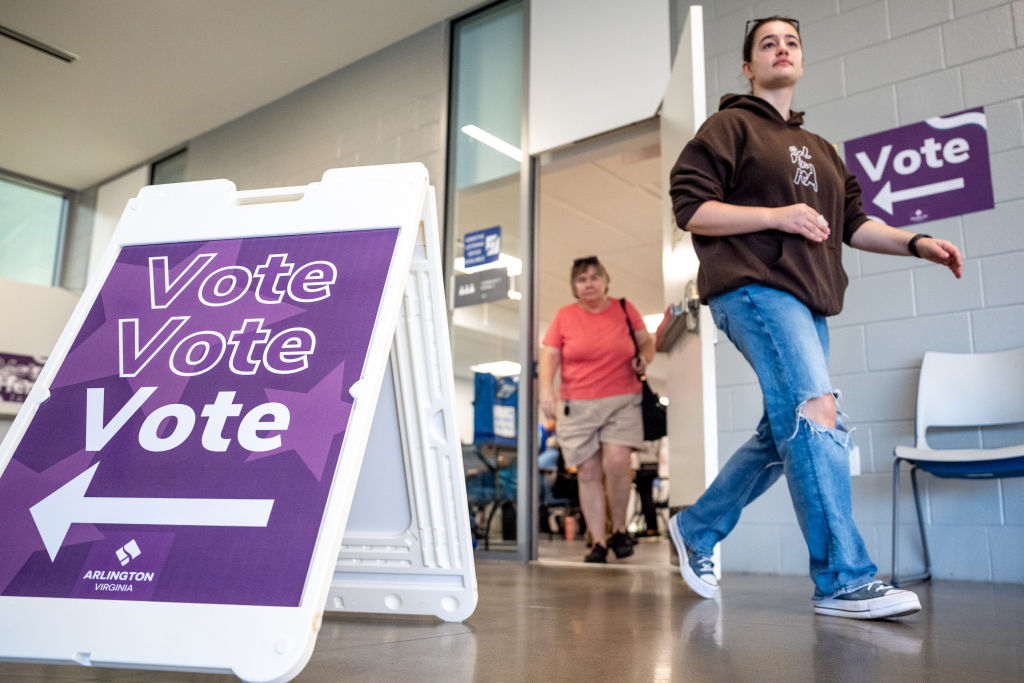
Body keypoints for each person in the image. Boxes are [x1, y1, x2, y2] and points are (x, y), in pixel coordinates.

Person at [667, 16, 963, 619]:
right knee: (815, 412)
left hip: (805, 297)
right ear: (749, 66)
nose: (782, 49)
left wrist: (915, 242)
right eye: (767, 43)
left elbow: (855, 225)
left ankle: (697, 528)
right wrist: (778, 216)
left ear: (801, 61)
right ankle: (843, 580)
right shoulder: (729, 126)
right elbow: (692, 208)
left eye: (792, 42)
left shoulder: (823, 150)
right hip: (754, 287)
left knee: (787, 430)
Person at [539, 256, 656, 562]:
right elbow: (549, 356)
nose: (588, 283)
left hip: (622, 398)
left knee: (617, 463)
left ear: (606, 280)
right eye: (582, 279)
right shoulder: (565, 316)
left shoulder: (624, 308)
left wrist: (645, 357)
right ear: (574, 287)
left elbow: (647, 342)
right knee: (588, 472)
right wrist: (545, 391)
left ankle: (619, 531)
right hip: (577, 404)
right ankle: (598, 542)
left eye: (594, 277)